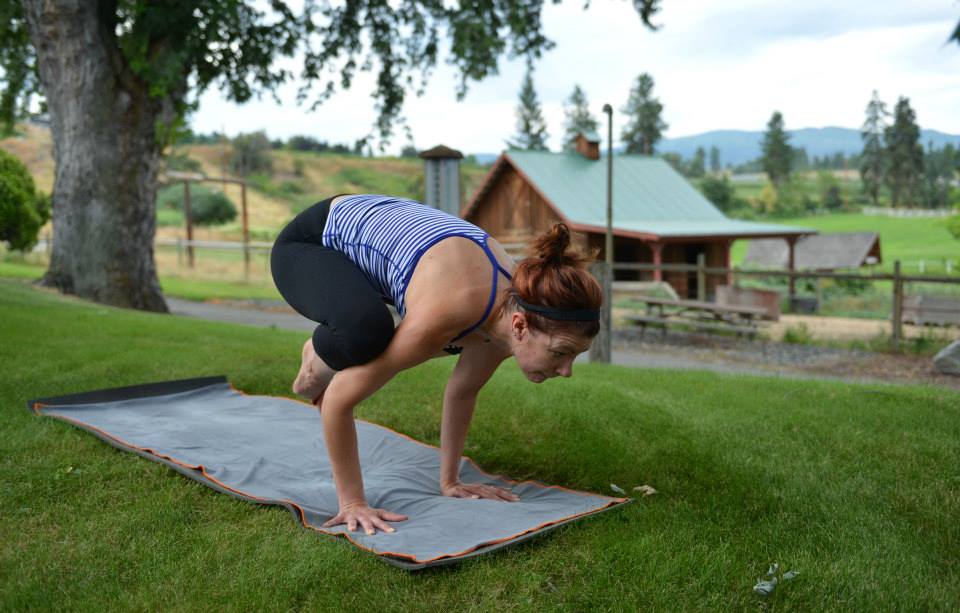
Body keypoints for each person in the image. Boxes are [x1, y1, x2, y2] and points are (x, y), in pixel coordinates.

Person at [270, 194, 603, 537]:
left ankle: (332, 347)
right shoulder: (452, 311)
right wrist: (353, 503)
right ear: (520, 326)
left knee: (431, 339)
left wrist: (451, 481)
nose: (566, 371)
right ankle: (317, 359)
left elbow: (462, 391)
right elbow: (338, 401)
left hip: (397, 259)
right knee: (367, 332)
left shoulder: (507, 321)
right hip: (311, 242)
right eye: (561, 352)